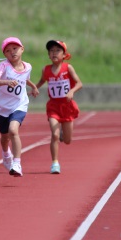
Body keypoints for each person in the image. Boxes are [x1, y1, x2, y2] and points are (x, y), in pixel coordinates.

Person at [35, 40, 82, 174]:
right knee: (54, 135)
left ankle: (63, 134)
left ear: (64, 55)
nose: (54, 53)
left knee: (67, 141)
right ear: (49, 55)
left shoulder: (68, 68)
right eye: (51, 51)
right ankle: (55, 163)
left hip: (67, 106)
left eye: (57, 51)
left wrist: (71, 91)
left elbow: (79, 83)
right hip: (53, 107)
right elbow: (41, 81)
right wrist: (34, 89)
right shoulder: (46, 69)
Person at [0, 37, 39, 177]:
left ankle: (17, 163)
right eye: (8, 50)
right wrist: (6, 82)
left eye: (15, 48)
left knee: (13, 130)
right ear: (5, 54)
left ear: (22, 49)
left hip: (19, 104)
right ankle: (6, 153)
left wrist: (33, 86)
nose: (12, 52)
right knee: (4, 136)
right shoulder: (4, 66)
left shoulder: (28, 66)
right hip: (2, 107)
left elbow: (25, 78)